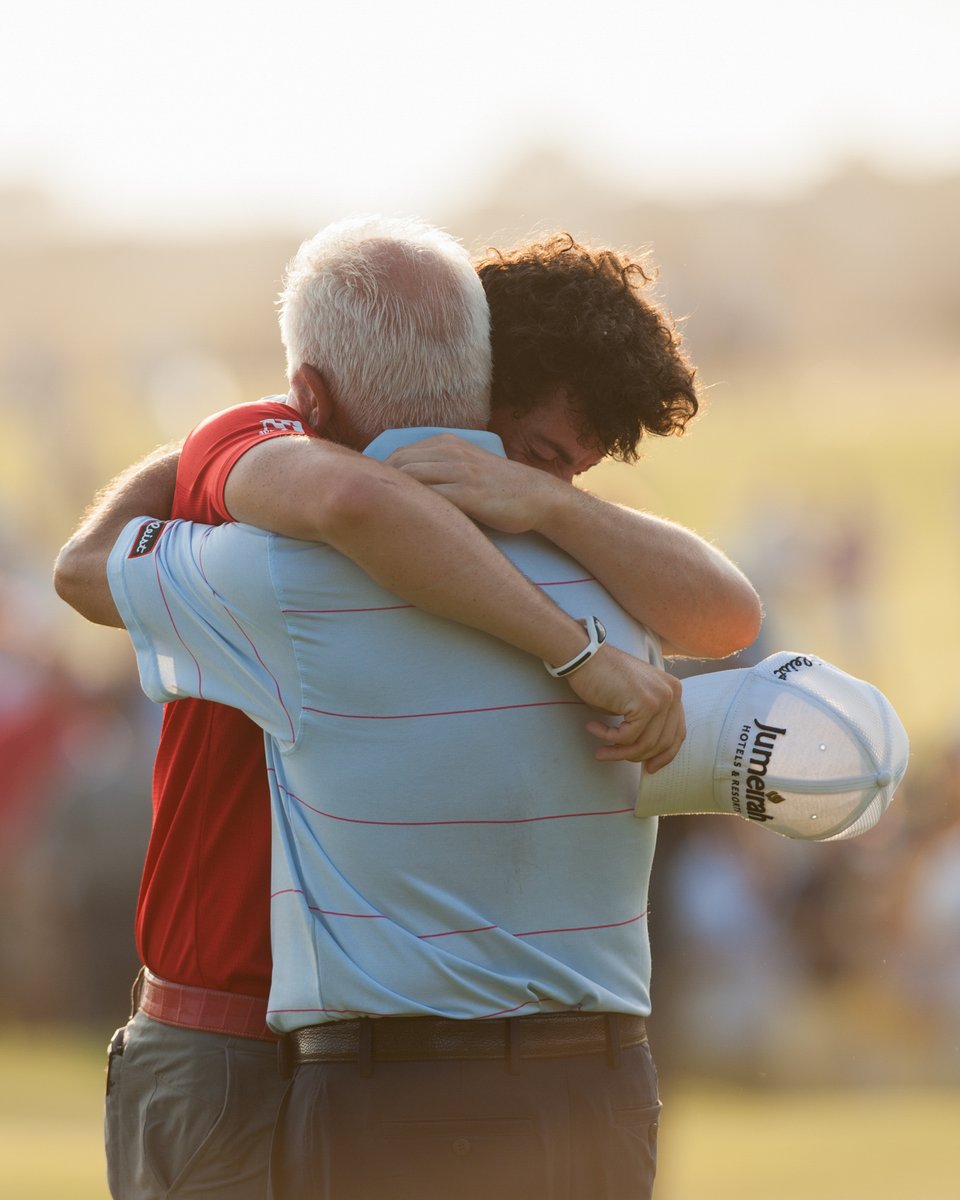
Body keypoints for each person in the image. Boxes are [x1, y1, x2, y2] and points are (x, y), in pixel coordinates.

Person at [54, 221, 761, 1199]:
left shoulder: (520, 520)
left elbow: (727, 613)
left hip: (362, 1040)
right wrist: (579, 651)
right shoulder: (276, 487)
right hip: (230, 1016)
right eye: (545, 454)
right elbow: (336, 508)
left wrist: (539, 500)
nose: (554, 488)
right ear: (475, 388)